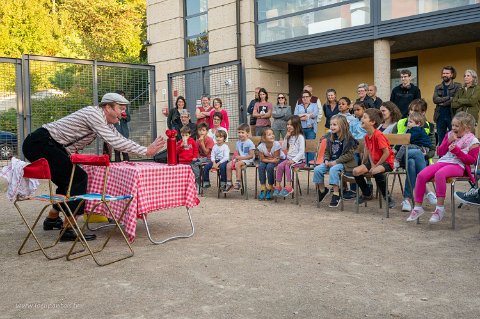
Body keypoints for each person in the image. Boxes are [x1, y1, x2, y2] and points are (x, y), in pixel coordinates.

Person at [22, 92, 166, 241]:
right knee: (78, 178)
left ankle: (52, 219)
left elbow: (118, 138)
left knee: (70, 180)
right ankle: (68, 229)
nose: (123, 113)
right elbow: (114, 141)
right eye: (120, 108)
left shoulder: (104, 121)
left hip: (49, 145)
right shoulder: (94, 114)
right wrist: (145, 150)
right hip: (40, 143)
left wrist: (144, 149)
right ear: (108, 107)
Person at [406, 112, 479, 224]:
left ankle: (440, 209)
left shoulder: (473, 141)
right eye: (453, 125)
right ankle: (418, 207)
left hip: (458, 165)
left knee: (440, 174)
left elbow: (471, 160)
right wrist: (447, 141)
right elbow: (440, 152)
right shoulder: (449, 134)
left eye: (457, 126)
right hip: (443, 161)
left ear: (467, 128)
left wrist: (457, 151)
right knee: (421, 175)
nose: (453, 128)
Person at [392, 99, 437, 212]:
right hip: (402, 155)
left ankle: (407, 199)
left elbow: (432, 148)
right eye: (410, 110)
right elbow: (391, 140)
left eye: (415, 110)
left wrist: (425, 155)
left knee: (412, 162)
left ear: (423, 113)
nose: (411, 113)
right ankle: (426, 190)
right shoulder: (401, 123)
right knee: (415, 153)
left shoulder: (428, 126)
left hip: (421, 157)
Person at [353, 108, 395, 208]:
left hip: (386, 161)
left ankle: (387, 197)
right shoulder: (367, 136)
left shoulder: (378, 135)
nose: (362, 119)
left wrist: (376, 165)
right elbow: (370, 152)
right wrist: (369, 164)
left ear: (372, 122)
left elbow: (386, 153)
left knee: (375, 171)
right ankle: (367, 194)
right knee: (355, 171)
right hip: (375, 161)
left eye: (364, 117)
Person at [314, 115, 358, 207]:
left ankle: (336, 194)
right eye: (331, 124)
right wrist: (326, 159)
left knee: (334, 169)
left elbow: (349, 155)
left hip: (344, 163)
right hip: (331, 161)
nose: (331, 127)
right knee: (317, 169)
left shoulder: (349, 138)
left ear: (342, 126)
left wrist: (336, 162)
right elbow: (327, 151)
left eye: (334, 124)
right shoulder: (331, 137)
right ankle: (322, 190)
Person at [272, 115, 305, 198]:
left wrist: (294, 160)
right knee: (280, 165)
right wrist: (285, 138)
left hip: (299, 161)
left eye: (291, 124)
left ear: (296, 125)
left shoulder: (300, 137)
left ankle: (289, 186)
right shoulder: (289, 136)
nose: (288, 126)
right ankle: (278, 186)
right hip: (289, 159)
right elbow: (283, 148)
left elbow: (301, 151)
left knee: (288, 165)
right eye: (288, 124)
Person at [433, 66, 461, 145]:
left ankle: (453, 156)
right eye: (444, 73)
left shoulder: (457, 86)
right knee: (441, 139)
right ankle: (442, 156)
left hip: (452, 115)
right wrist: (448, 97)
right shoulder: (438, 87)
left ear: (452, 75)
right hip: (440, 116)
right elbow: (435, 99)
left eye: (447, 73)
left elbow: (455, 99)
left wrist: (442, 102)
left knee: (455, 137)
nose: (445, 75)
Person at [224, 124, 256, 192]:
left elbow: (251, 155)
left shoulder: (250, 143)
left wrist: (241, 158)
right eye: (239, 132)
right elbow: (237, 152)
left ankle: (238, 182)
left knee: (237, 164)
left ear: (247, 133)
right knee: (228, 165)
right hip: (240, 158)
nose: (240, 134)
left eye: (242, 132)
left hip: (248, 159)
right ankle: (229, 183)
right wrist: (236, 156)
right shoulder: (238, 142)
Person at [257, 128, 284, 200]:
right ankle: (263, 188)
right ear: (264, 138)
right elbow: (262, 159)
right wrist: (270, 159)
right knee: (261, 166)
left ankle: (270, 187)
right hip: (268, 160)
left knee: (269, 167)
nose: (272, 136)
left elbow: (277, 159)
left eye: (272, 134)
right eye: (269, 135)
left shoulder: (276, 144)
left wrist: (269, 159)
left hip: (280, 160)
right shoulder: (261, 146)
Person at [294, 90, 319, 164]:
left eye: (306, 97)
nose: (305, 98)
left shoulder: (314, 105)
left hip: (311, 129)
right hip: (300, 129)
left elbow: (314, 114)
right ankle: (304, 163)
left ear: (310, 97)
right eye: (303, 97)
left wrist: (301, 115)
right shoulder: (298, 106)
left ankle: (310, 163)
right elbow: (295, 116)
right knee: (302, 146)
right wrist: (307, 115)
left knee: (310, 147)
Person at [112, 90, 131, 162]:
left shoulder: (125, 106)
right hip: (116, 131)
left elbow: (129, 118)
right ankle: (118, 170)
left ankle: (128, 169)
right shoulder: (112, 106)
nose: (122, 97)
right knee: (117, 152)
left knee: (125, 152)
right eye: (121, 96)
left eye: (123, 96)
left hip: (124, 132)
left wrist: (125, 117)